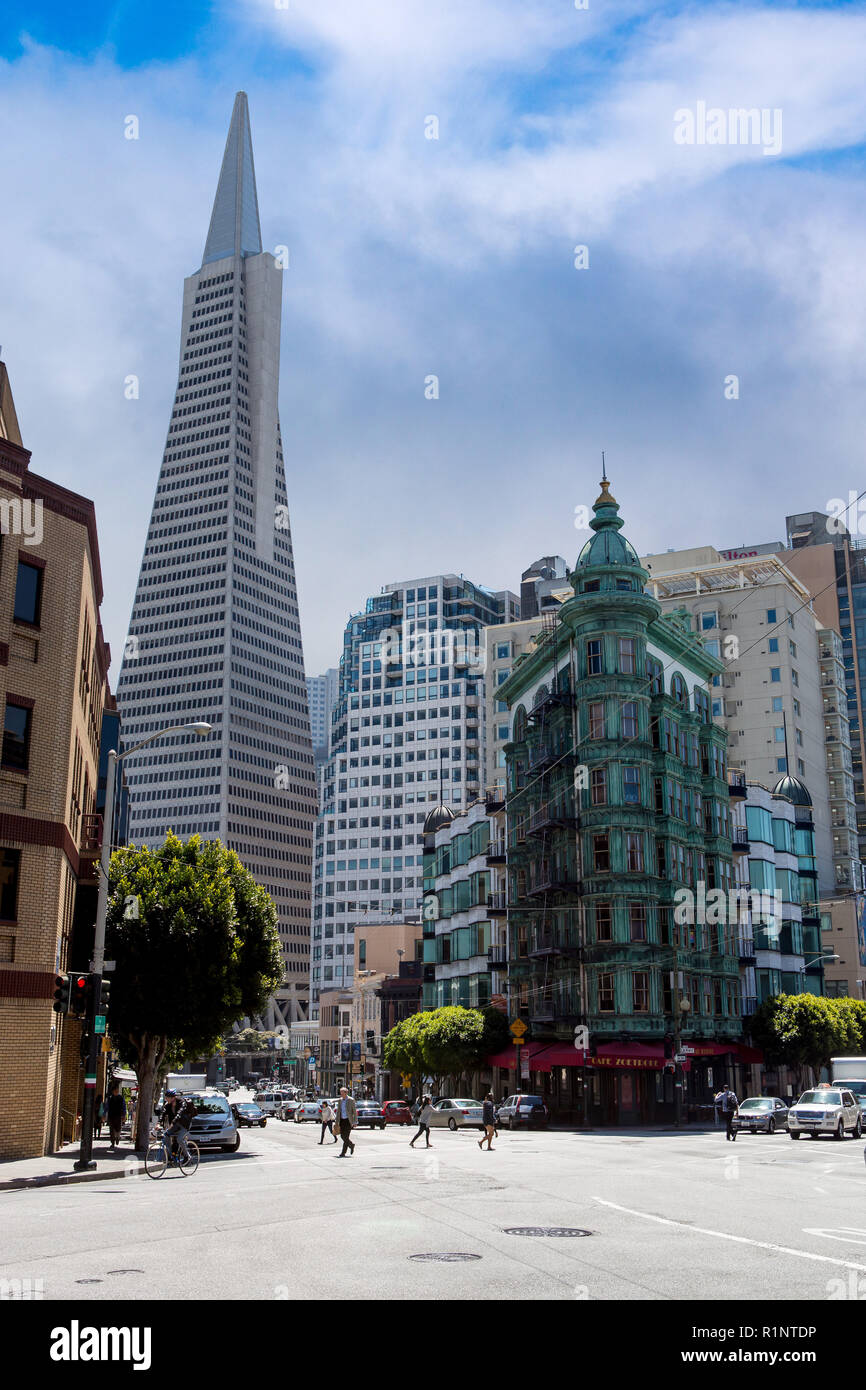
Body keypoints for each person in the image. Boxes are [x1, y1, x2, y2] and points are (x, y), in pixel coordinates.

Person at [164, 1096, 197, 1163]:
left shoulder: (181, 1103)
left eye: (167, 1097)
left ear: (172, 1098)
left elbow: (179, 1113)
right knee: (166, 1134)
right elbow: (163, 1113)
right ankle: (170, 1156)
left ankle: (187, 1156)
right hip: (176, 1124)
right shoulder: (168, 1105)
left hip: (185, 1125)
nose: (166, 1099)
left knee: (179, 1139)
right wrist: (158, 1122)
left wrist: (173, 1122)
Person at [336, 1087, 356, 1156]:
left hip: (348, 1120)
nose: (341, 1094)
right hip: (342, 1120)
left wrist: (355, 1122)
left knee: (346, 1136)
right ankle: (351, 1145)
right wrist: (336, 1122)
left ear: (346, 1093)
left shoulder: (351, 1100)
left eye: (342, 1093)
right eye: (340, 1092)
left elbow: (354, 1111)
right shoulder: (340, 1100)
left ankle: (343, 1153)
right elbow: (338, 1111)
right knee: (342, 1136)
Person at [106, 1081, 126, 1149]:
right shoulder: (110, 1098)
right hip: (111, 1116)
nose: (116, 1092)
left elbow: (124, 1107)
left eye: (117, 1091)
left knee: (118, 1128)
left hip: (118, 1116)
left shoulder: (121, 1098)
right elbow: (107, 1107)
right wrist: (104, 1115)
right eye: (115, 1091)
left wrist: (124, 1115)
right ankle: (112, 1142)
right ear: (113, 1091)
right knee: (111, 1130)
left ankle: (117, 1137)